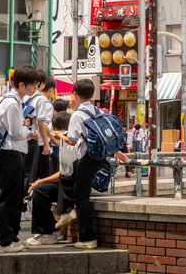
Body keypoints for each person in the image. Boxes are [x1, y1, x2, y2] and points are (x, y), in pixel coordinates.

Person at [56, 79, 128, 248]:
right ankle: (68, 213)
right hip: (99, 158)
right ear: (93, 94)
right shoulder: (98, 111)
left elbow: (72, 141)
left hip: (86, 159)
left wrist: (60, 136)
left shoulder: (77, 116)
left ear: (75, 94)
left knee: (81, 198)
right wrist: (116, 151)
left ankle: (87, 238)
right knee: (75, 187)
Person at [0, 65, 42, 254]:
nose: (35, 89)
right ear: (22, 84)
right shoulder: (12, 103)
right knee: (10, 198)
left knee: (12, 197)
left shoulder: (5, 100)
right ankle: (2, 241)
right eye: (33, 85)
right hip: (10, 154)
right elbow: (15, 132)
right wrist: (30, 133)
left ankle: (10, 237)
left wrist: (23, 128)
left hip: (9, 153)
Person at [24, 112, 75, 246]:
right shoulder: (67, 140)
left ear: (59, 130)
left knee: (40, 190)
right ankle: (47, 231)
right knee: (37, 191)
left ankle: (49, 233)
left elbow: (65, 173)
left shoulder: (68, 142)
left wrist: (40, 181)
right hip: (68, 184)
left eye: (54, 129)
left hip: (71, 187)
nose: (52, 132)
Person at [23, 80, 54, 189]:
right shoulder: (44, 102)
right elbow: (43, 124)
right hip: (37, 142)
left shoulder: (25, 98)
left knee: (29, 173)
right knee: (43, 176)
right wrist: (48, 142)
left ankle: (26, 200)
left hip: (25, 140)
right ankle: (35, 199)